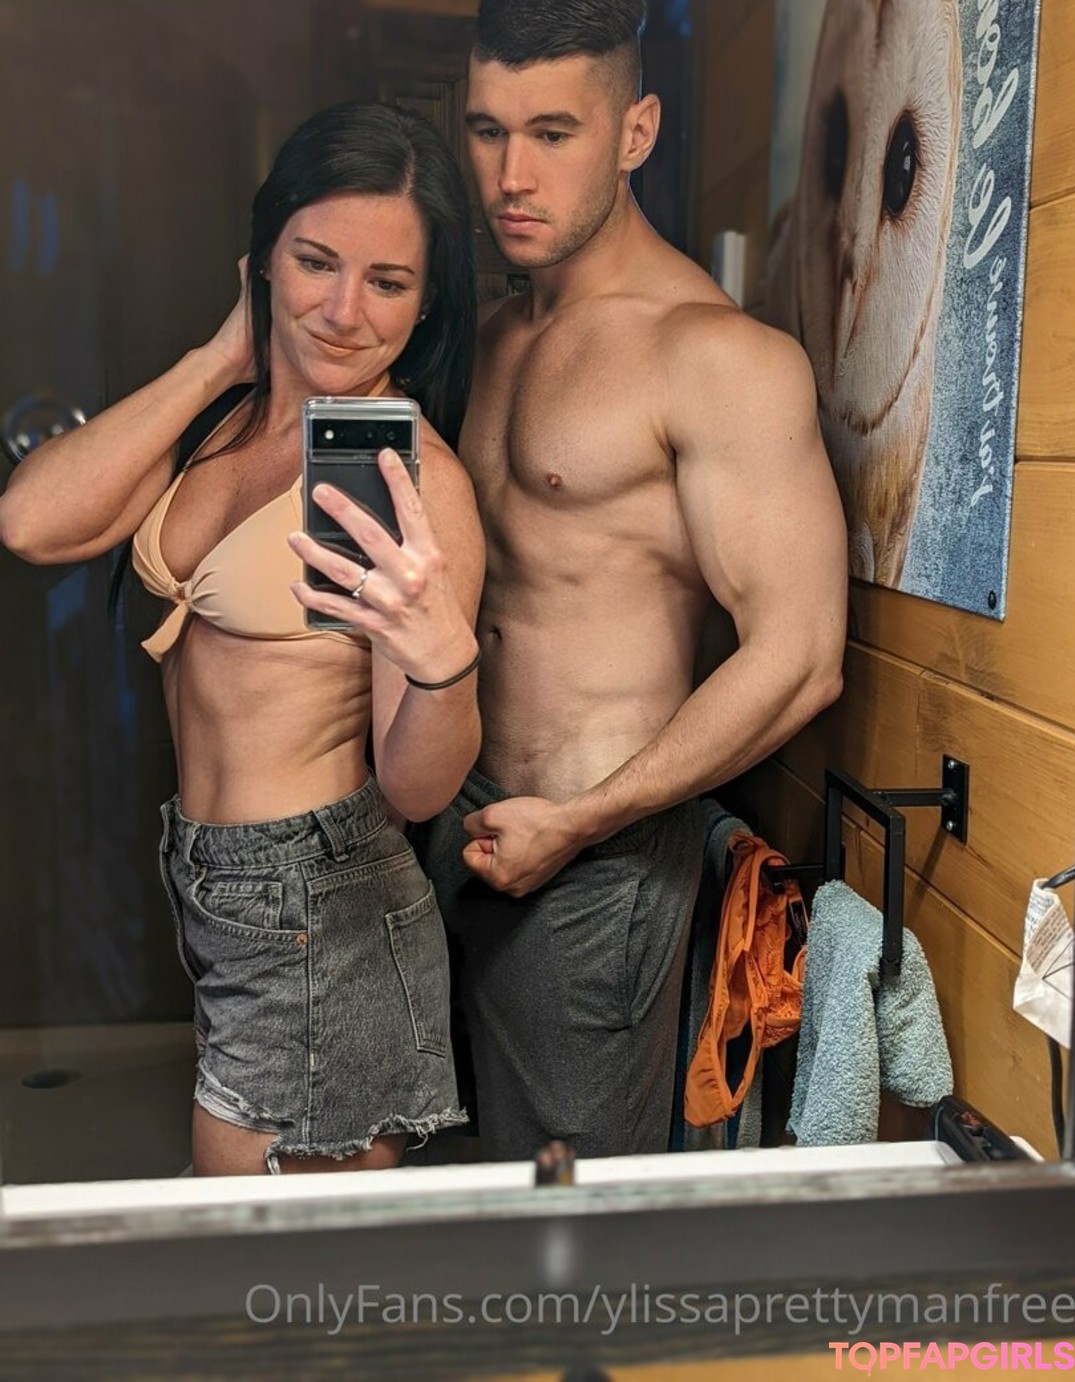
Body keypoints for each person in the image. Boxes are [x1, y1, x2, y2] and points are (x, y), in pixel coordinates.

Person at [0, 103, 485, 1176]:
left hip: (323, 904)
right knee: (270, 1256)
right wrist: (224, 356)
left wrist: (441, 657)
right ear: (261, 258)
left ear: (428, 301)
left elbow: (417, 790)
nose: (344, 311)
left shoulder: (415, 484)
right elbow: (32, 522)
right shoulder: (222, 421)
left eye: (389, 282)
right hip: (223, 892)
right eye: (314, 262)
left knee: (259, 1253)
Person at [418, 0, 849, 1161]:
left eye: (553, 133)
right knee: (457, 1183)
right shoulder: (490, 335)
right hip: (455, 820)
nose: (511, 175)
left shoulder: (715, 357)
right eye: (487, 130)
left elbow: (801, 655)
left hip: (590, 859)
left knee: (575, 1214)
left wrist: (580, 820)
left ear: (637, 132)